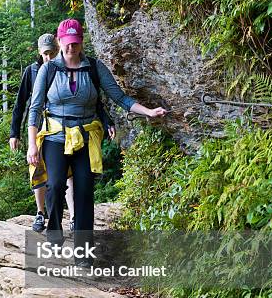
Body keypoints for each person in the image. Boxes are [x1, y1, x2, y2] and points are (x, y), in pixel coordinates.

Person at [27, 19, 167, 266]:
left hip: (86, 135)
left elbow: (119, 97)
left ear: (81, 42)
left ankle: (82, 251)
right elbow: (35, 108)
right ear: (60, 42)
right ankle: (55, 233)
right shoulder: (48, 70)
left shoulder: (94, 67)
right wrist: (32, 145)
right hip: (55, 136)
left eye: (76, 43)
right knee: (56, 184)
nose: (71, 48)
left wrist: (148, 111)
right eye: (67, 43)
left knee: (84, 190)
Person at [10, 32, 115, 233]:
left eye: (51, 52)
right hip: (43, 128)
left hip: (72, 131)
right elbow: (22, 104)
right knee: (46, 176)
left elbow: (92, 101)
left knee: (71, 179)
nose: (48, 57)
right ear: (39, 53)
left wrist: (106, 120)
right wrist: (15, 133)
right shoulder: (33, 71)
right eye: (45, 54)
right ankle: (41, 213)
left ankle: (75, 217)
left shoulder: (71, 67)